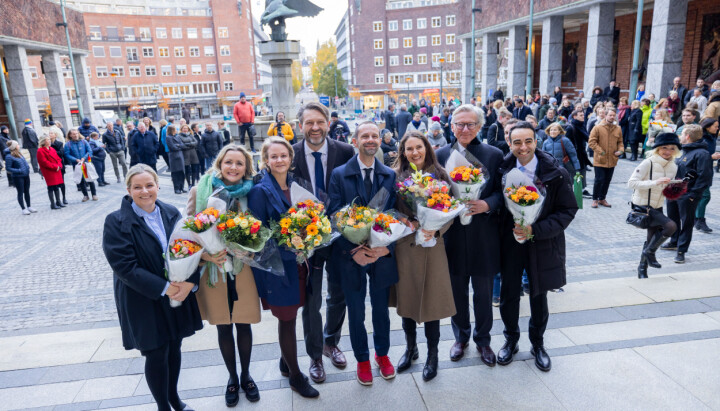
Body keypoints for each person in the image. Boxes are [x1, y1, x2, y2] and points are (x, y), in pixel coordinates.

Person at [102, 164, 202, 411]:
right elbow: (124, 266)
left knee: (174, 347)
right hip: (142, 298)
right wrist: (166, 287)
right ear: (128, 190)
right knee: (156, 353)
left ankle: (174, 399)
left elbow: (191, 248)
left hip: (177, 292)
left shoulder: (170, 212)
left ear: (158, 186)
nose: (144, 191)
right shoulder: (116, 221)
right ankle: (163, 406)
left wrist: (190, 283)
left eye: (149, 185)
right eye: (138, 187)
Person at [499, 122, 579, 374]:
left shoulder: (555, 172)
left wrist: (535, 229)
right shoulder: (501, 169)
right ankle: (511, 339)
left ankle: (538, 344)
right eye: (517, 142)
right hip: (510, 243)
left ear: (536, 141)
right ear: (509, 143)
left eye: (528, 141)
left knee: (538, 294)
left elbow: (568, 210)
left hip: (542, 243)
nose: (523, 147)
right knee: (509, 293)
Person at [186, 145, 261, 406]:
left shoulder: (253, 192)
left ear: (246, 168)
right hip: (213, 267)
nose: (233, 168)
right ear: (220, 163)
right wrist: (205, 255)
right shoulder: (200, 190)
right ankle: (231, 377)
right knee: (223, 325)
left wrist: (251, 250)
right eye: (229, 162)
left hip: (243, 267)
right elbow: (188, 231)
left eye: (239, 163)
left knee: (244, 322)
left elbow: (260, 228)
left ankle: (247, 374)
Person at [247, 138, 319, 398]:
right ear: (266, 160)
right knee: (287, 320)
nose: (279, 160)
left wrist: (310, 236)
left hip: (299, 263)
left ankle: (285, 362)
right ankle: (296, 377)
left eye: (283, 156)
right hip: (277, 268)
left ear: (291, 158)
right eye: (273, 157)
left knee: (293, 312)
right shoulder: (259, 191)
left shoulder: (296, 185)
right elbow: (258, 235)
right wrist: (289, 240)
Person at [326, 121, 397, 386]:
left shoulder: (389, 175)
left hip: (380, 254)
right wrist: (351, 251)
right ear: (355, 141)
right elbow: (333, 216)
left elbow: (395, 216)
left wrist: (386, 247)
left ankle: (382, 355)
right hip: (351, 256)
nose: (370, 139)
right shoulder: (339, 174)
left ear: (380, 140)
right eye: (364, 136)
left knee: (381, 309)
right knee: (355, 311)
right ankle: (363, 360)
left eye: (374, 135)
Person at [435, 104, 504, 367]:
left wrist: (488, 204)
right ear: (451, 126)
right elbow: (433, 193)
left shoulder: (494, 154)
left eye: (470, 124)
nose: (464, 129)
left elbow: (502, 192)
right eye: (459, 124)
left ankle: (483, 339)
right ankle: (460, 337)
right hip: (451, 235)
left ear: (479, 127)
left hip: (484, 235)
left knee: (484, 292)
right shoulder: (440, 155)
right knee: (457, 291)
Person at [290, 102, 354, 383]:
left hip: (340, 238)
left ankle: (331, 342)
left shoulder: (346, 151)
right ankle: (315, 355)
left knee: (339, 295)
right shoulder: (289, 155)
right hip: (308, 240)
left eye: (319, 122)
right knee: (312, 299)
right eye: (308, 123)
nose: (314, 128)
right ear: (300, 125)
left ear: (329, 123)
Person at [390, 132, 456, 381]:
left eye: (419, 147)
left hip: (432, 246)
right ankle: (410, 348)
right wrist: (406, 220)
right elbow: (388, 208)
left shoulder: (440, 175)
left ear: (427, 148)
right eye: (409, 149)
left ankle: (432, 355)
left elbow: (450, 211)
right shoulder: (395, 176)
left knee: (431, 303)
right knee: (406, 301)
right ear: (403, 152)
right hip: (405, 246)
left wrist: (435, 228)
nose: (414, 152)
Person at [628, 133, 681, 278]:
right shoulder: (648, 162)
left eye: (671, 148)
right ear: (657, 148)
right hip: (643, 205)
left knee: (651, 239)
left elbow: (666, 189)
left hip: (657, 205)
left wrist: (677, 186)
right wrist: (655, 182)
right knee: (671, 226)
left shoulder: (673, 166)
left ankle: (642, 269)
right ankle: (649, 252)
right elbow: (631, 183)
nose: (667, 151)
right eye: (664, 147)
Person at [662, 124, 713, 263]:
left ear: (688, 136)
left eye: (682, 134)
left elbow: (705, 178)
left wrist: (693, 195)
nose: (680, 136)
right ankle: (674, 241)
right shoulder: (681, 150)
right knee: (672, 219)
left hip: (687, 195)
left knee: (686, 222)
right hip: (673, 192)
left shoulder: (702, 154)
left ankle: (681, 250)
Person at [588, 108, 623, 208]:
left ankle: (602, 198)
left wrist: (620, 151)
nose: (612, 117)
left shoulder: (618, 128)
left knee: (607, 180)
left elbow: (620, 142)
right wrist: (601, 151)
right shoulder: (597, 127)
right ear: (606, 115)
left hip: (612, 159)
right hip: (600, 159)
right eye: (610, 115)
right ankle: (595, 199)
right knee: (599, 179)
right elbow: (591, 142)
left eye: (613, 115)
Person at [694, 118, 719, 233]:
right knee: (705, 196)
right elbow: (697, 156)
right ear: (708, 127)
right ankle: (699, 220)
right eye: (715, 126)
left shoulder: (712, 137)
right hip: (700, 171)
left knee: (702, 196)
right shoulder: (702, 139)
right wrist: (711, 156)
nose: (717, 128)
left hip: (707, 169)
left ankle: (696, 218)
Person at [65, 129, 98, 202]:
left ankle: (94, 194)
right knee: (81, 180)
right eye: (73, 134)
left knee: (90, 178)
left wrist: (84, 158)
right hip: (77, 165)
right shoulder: (68, 144)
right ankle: (85, 195)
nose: (75, 135)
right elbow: (67, 154)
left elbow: (89, 151)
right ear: (70, 135)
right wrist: (75, 159)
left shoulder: (84, 142)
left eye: (76, 133)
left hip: (86, 164)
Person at [5, 141, 36, 214]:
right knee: (20, 192)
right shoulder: (9, 156)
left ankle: (29, 206)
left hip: (25, 175)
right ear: (14, 146)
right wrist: (19, 170)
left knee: (27, 192)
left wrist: (27, 168)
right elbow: (8, 168)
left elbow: (24, 162)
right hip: (18, 177)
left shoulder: (19, 153)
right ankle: (23, 208)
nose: (19, 145)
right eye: (17, 144)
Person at [566, 109, 592, 197]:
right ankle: (577, 191)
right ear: (574, 116)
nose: (583, 116)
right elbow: (567, 143)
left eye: (583, 115)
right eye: (581, 115)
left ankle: (583, 189)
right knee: (576, 172)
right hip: (575, 154)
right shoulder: (571, 127)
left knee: (583, 170)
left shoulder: (581, 125)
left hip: (582, 153)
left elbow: (587, 138)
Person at [37, 134, 66, 210]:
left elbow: (58, 158)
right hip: (49, 171)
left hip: (56, 170)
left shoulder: (52, 149)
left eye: (49, 139)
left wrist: (59, 165)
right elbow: (44, 162)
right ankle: (52, 204)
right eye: (48, 139)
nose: (49, 141)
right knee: (51, 187)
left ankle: (58, 201)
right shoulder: (40, 151)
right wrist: (55, 167)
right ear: (43, 141)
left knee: (57, 186)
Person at [165, 125, 187, 194]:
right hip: (174, 157)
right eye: (175, 129)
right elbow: (172, 147)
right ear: (172, 130)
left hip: (180, 156)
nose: (176, 131)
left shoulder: (177, 136)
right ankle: (177, 188)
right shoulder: (168, 138)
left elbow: (183, 145)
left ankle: (182, 187)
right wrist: (178, 146)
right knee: (175, 173)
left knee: (182, 172)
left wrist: (178, 145)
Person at [49, 131, 68, 204]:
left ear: (55, 135)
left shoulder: (59, 144)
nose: (50, 134)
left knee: (62, 182)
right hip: (51, 166)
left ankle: (64, 197)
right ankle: (57, 200)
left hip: (59, 165)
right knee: (54, 184)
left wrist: (52, 153)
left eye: (51, 133)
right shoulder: (47, 145)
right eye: (49, 133)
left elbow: (61, 153)